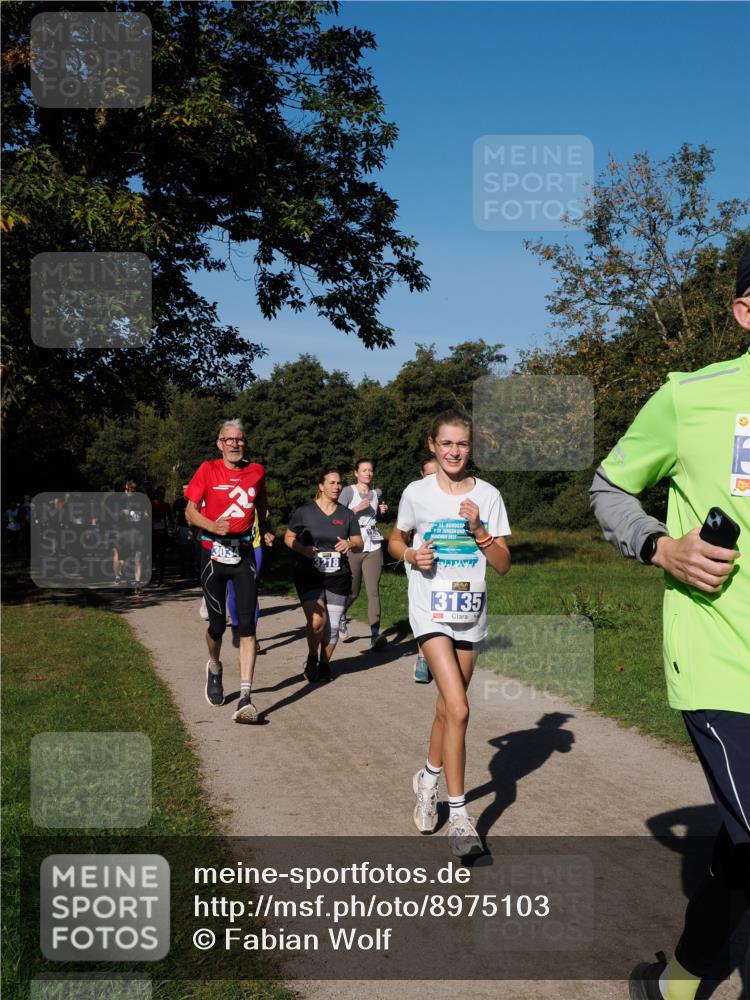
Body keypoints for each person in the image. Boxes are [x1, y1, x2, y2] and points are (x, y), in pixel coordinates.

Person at [589, 247, 750, 1000]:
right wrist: (661, 546)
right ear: (745, 312)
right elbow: (610, 487)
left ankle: (681, 978)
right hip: (724, 669)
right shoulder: (691, 398)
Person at [388, 410, 511, 857]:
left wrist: (479, 529)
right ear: (432, 446)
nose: (454, 451)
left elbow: (503, 563)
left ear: (470, 447)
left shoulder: (489, 496)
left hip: (469, 613)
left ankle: (427, 777)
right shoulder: (416, 494)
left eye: (462, 444)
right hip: (429, 612)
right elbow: (395, 540)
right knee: (459, 708)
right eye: (446, 443)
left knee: (445, 708)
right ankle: (460, 817)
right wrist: (411, 556)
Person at [185, 420, 269, 724]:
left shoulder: (257, 471)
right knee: (217, 625)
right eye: (229, 440)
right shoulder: (207, 469)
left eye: (240, 440)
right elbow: (190, 511)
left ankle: (246, 697)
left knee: (247, 626)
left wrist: (267, 528)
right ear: (219, 444)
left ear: (244, 444)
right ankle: (215, 666)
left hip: (244, 553)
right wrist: (210, 525)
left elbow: (261, 502)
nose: (235, 444)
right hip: (213, 554)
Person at [284, 469, 363, 682]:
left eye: (339, 483)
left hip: (339, 575)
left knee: (334, 625)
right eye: (332, 483)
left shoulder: (347, 514)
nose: (337, 487)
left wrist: (350, 543)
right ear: (321, 486)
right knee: (318, 621)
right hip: (310, 573)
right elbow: (288, 537)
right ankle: (312, 656)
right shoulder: (305, 512)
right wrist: (303, 549)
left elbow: (359, 543)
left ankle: (324, 663)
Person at [338, 459, 389, 649]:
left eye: (370, 470)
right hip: (354, 546)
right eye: (364, 470)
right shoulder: (348, 491)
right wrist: (354, 510)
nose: (368, 473)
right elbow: (337, 516)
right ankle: (341, 616)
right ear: (356, 473)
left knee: (373, 592)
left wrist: (383, 512)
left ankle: (375, 635)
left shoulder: (377, 493)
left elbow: (380, 516)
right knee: (353, 591)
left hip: (373, 547)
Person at [228, 509, 275, 649]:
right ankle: (236, 628)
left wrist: (265, 531)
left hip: (254, 547)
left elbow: (263, 516)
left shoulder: (254, 489)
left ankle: (251, 634)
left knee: (251, 591)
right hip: (229, 547)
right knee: (233, 592)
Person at [410, 457, 439, 682]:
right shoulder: (413, 495)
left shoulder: (453, 496)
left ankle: (443, 654)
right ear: (422, 475)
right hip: (419, 558)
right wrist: (412, 555)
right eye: (428, 474)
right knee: (423, 609)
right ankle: (422, 657)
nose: (432, 478)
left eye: (435, 473)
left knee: (440, 609)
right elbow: (399, 534)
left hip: (447, 562)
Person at [112, 480, 149, 591]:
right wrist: (122, 513)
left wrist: (139, 514)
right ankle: (128, 583)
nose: (131, 491)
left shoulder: (141, 500)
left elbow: (146, 514)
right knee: (128, 558)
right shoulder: (121, 500)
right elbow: (115, 515)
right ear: (126, 488)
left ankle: (137, 584)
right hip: (126, 533)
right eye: (129, 489)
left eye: (133, 489)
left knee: (138, 558)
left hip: (138, 533)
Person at [150, 486, 173, 586]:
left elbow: (170, 518)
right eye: (160, 492)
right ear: (156, 493)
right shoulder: (151, 504)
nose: (162, 494)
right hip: (152, 534)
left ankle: (160, 579)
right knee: (152, 557)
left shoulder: (166, 505)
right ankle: (150, 577)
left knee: (162, 557)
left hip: (163, 534)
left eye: (163, 492)